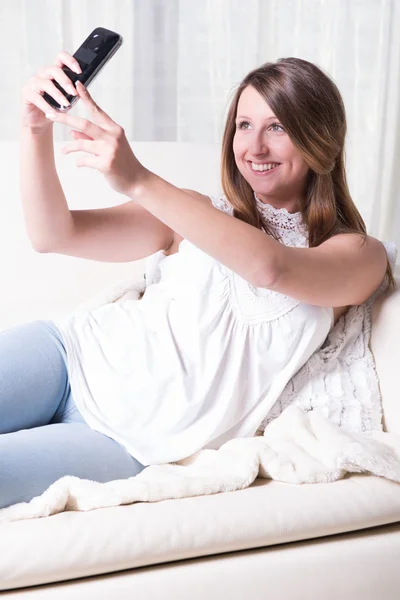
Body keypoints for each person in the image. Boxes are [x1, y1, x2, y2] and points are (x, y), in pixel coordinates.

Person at [0, 53, 393, 510]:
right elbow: (53, 235)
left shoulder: (357, 255)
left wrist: (139, 179)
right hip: (66, 358)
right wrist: (34, 129)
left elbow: (272, 269)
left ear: (319, 138)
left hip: (129, 443)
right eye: (244, 125)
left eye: (278, 127)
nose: (255, 147)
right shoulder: (192, 210)